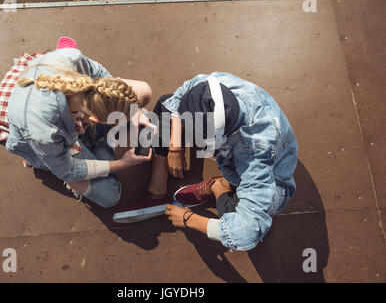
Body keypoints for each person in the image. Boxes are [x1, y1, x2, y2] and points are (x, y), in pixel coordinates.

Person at [114, 72, 298, 251]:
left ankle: (219, 186)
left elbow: (247, 233)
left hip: (271, 173)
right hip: (239, 142)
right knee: (165, 103)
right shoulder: (213, 84)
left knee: (234, 214)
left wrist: (188, 218)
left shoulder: (254, 154)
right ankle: (157, 191)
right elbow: (180, 97)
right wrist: (175, 148)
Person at [6, 37, 154, 208]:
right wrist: (123, 163)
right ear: (93, 120)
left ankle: (99, 149)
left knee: (143, 93)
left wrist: (137, 111)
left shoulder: (73, 57)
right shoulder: (45, 131)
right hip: (48, 144)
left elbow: (103, 76)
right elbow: (66, 170)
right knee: (110, 196)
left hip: (60, 114)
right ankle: (103, 147)